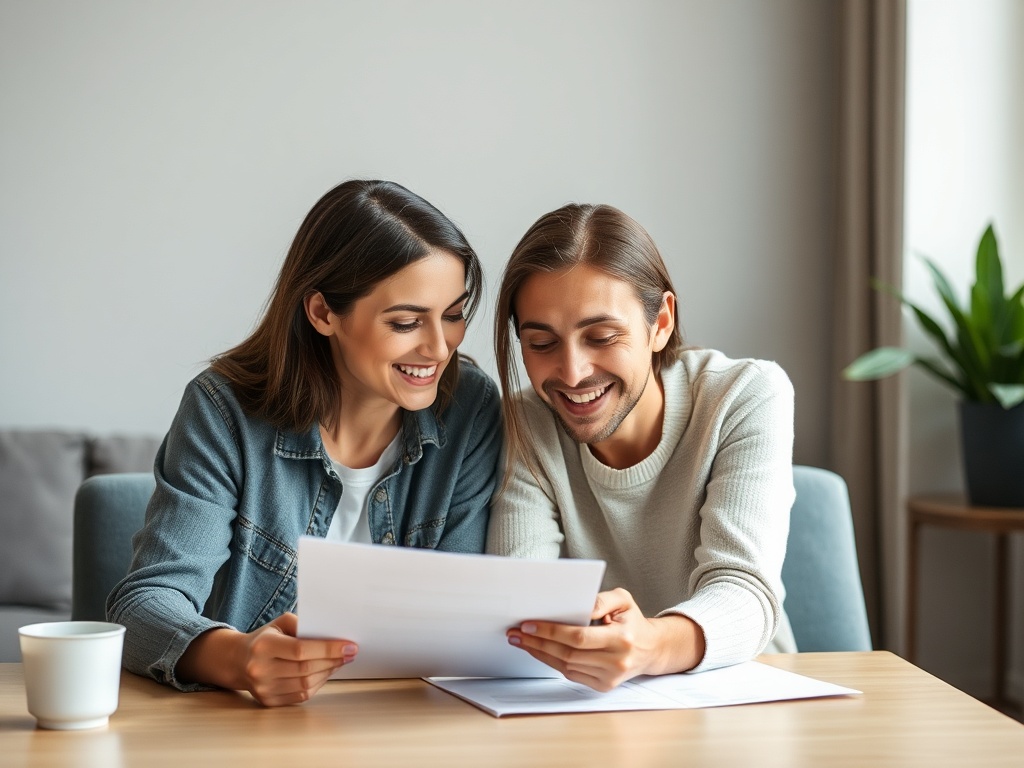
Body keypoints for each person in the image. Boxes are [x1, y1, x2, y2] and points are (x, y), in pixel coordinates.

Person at [109, 179, 501, 706]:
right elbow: (142, 607)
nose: (439, 347)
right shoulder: (224, 411)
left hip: (412, 724)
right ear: (323, 313)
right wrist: (242, 658)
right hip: (248, 728)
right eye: (407, 322)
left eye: (453, 315)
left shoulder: (470, 409)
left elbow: (465, 616)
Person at [487, 203, 796, 692]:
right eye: (541, 343)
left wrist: (649, 644)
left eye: (602, 336)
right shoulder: (525, 422)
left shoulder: (743, 395)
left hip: (742, 693)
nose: (571, 373)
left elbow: (744, 592)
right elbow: (524, 603)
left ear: (662, 323)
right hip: (586, 704)